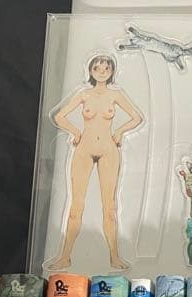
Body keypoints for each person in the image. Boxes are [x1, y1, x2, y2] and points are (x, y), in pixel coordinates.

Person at [47, 54, 144, 271]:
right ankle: (64, 256)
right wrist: (74, 132)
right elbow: (59, 116)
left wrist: (119, 131)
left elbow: (137, 118)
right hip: (84, 149)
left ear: (112, 72)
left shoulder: (115, 95)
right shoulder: (84, 94)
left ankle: (114, 257)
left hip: (109, 150)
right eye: (97, 68)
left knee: (110, 207)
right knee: (76, 206)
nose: (102, 72)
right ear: (90, 71)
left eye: (106, 69)